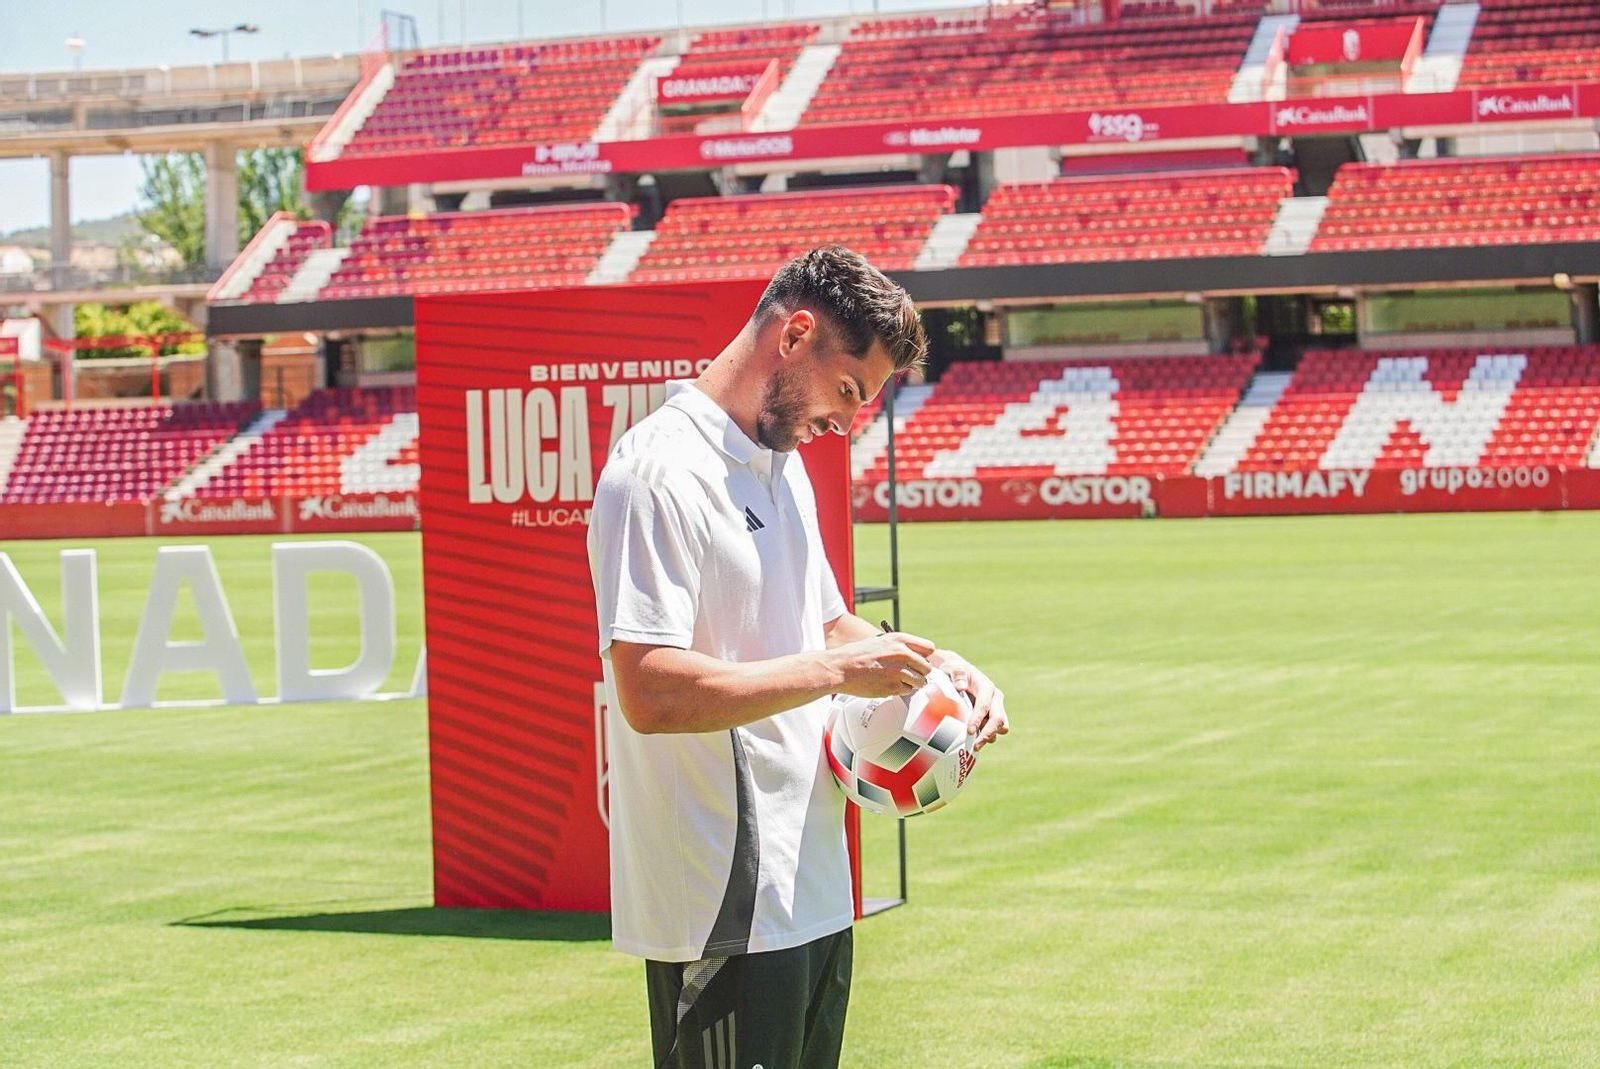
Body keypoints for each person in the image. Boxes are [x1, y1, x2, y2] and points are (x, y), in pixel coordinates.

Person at [587, 245, 1009, 1069]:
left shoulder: (780, 469)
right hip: (721, 901)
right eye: (847, 390)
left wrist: (946, 673)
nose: (847, 422)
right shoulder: (655, 472)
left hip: (814, 883)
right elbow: (648, 691)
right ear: (796, 335)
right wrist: (838, 673)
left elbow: (829, 627)